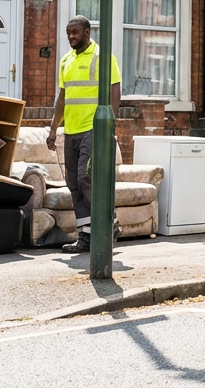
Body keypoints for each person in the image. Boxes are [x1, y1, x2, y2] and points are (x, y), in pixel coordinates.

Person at [47, 15, 121, 253]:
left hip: (93, 130)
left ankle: (110, 223)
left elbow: (114, 91)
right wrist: (53, 129)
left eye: (75, 32)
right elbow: (62, 97)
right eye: (68, 32)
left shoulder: (103, 57)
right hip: (71, 132)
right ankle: (86, 237)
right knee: (74, 185)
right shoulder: (66, 61)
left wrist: (109, 125)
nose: (71, 36)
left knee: (85, 178)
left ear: (87, 32)